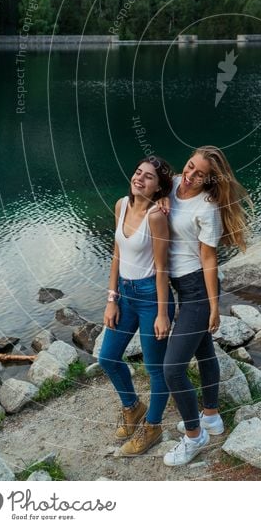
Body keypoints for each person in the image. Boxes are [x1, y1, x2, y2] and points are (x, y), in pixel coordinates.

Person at [161, 145, 252, 467]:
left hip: (196, 289)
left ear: (211, 179)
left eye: (200, 174)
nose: (190, 176)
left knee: (172, 369)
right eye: (189, 166)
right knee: (204, 353)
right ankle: (211, 416)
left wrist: (215, 307)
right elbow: (140, 197)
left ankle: (193, 435)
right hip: (176, 286)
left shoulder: (208, 208)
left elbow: (209, 259)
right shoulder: (170, 184)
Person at [98, 156, 175, 456]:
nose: (140, 178)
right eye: (137, 172)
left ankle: (152, 427)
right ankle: (133, 406)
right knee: (107, 357)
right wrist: (111, 299)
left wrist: (162, 312)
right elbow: (116, 255)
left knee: (154, 369)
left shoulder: (156, 216)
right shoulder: (121, 205)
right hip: (125, 296)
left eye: (149, 177)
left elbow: (161, 268)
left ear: (159, 188)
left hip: (149, 296)